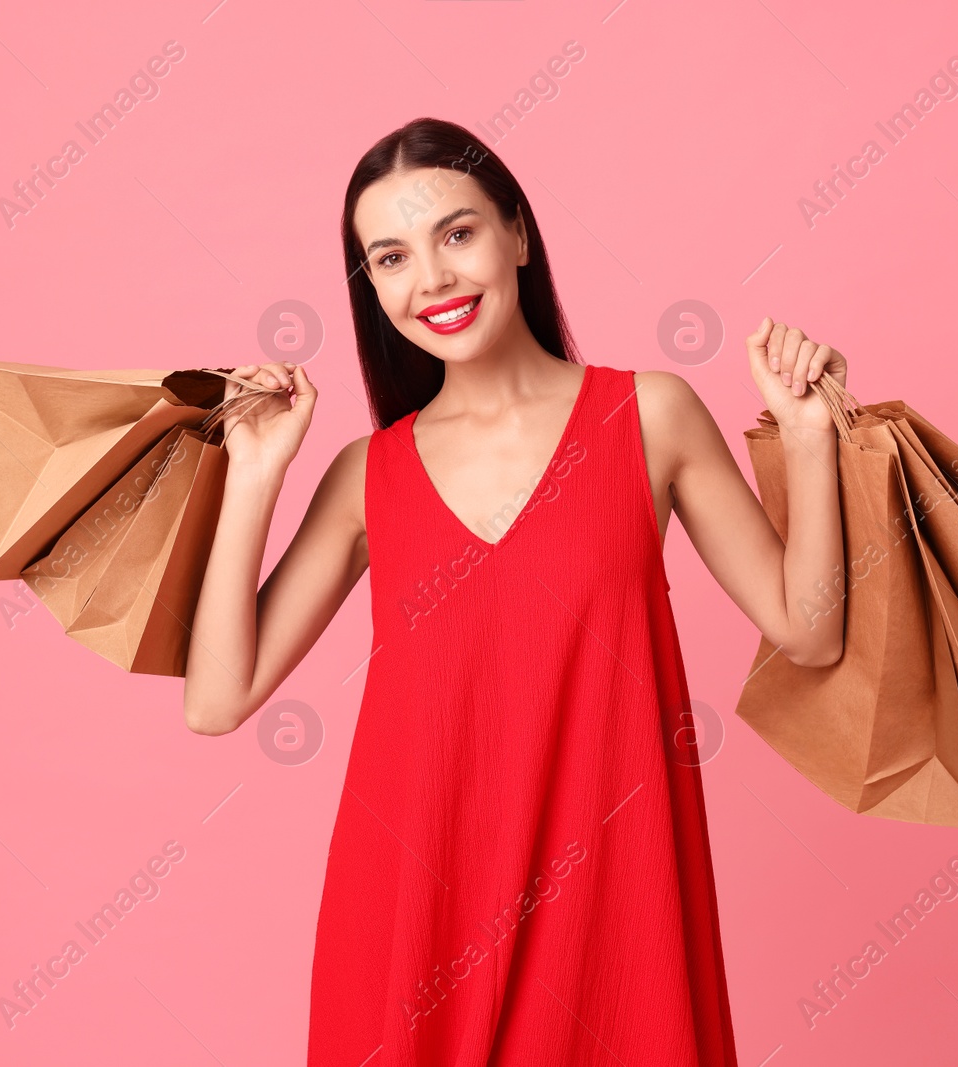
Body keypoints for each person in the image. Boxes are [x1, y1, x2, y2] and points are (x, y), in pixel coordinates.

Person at [182, 117, 846, 1066]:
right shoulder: (365, 475)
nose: (433, 280)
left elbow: (810, 633)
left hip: (610, 910)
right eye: (392, 257)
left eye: (457, 234)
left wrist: (811, 435)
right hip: (414, 919)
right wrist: (253, 474)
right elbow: (215, 699)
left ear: (518, 235)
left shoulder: (648, 417)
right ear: (371, 287)